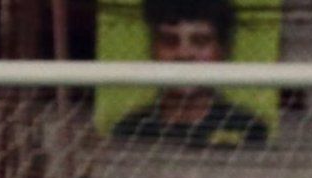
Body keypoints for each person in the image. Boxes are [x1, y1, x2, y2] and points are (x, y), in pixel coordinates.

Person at [111, 0, 269, 148]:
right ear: (153, 49)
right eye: (170, 41)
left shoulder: (248, 129)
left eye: (200, 41)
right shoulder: (131, 131)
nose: (184, 54)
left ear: (222, 50)